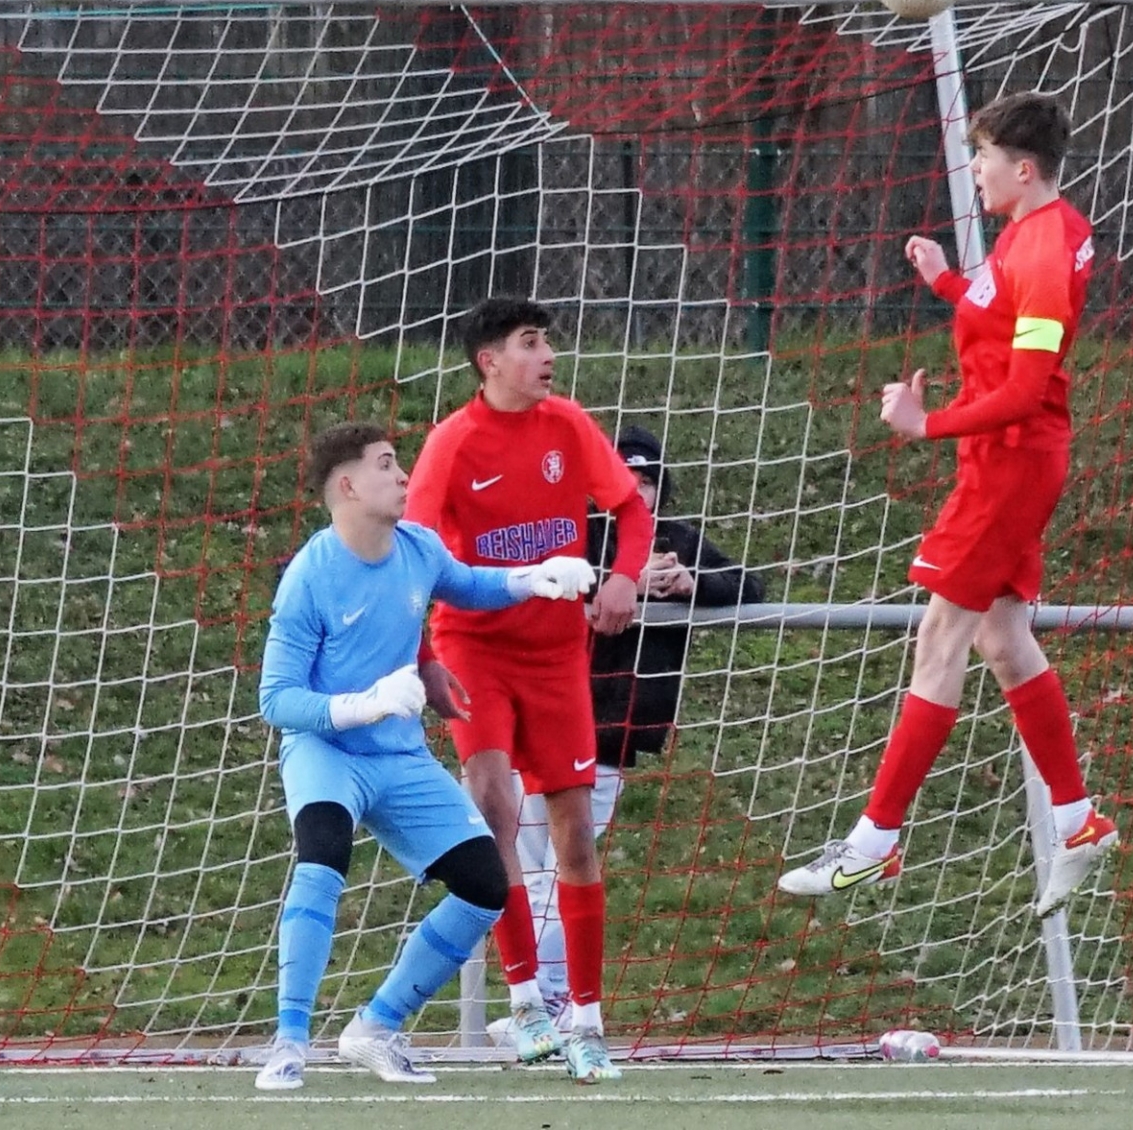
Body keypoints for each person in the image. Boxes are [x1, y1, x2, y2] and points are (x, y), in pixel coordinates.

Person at [776, 91, 1118, 918]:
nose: (975, 170)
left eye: (984, 157)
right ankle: (1077, 822)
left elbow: (1027, 391)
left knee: (942, 638)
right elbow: (1001, 321)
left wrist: (924, 424)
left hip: (1006, 467)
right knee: (1004, 639)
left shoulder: (1040, 252)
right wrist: (949, 284)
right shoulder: (1039, 233)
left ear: (1023, 168)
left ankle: (875, 845)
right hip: (1014, 465)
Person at [253, 422, 596, 1092]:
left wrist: (537, 578)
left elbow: (469, 586)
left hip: (399, 757)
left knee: (484, 884)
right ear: (348, 486)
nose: (404, 476)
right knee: (321, 860)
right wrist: (361, 703)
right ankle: (288, 1043)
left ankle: (376, 1027)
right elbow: (278, 699)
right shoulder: (309, 578)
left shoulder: (417, 548)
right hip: (327, 749)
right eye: (387, 465)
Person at [404, 297, 655, 1085]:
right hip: (473, 648)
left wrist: (622, 576)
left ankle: (587, 1019)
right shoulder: (452, 444)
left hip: (556, 658)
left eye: (546, 340)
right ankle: (524, 1003)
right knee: (492, 810)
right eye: (531, 342)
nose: (548, 354)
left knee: (576, 835)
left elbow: (631, 508)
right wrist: (422, 659)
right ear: (491, 361)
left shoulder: (570, 425)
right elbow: (411, 557)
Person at [498, 424, 766, 1035]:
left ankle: (546, 1003)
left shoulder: (677, 541)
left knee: (564, 866)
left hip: (616, 732)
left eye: (647, 480)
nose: (637, 490)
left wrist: (689, 583)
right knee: (534, 867)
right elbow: (534, 584)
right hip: (543, 715)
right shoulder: (572, 536)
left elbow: (750, 584)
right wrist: (622, 581)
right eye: (628, 478)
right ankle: (541, 1003)